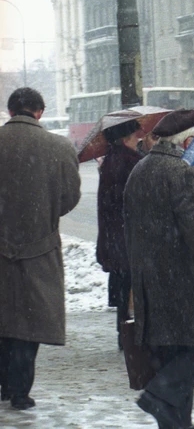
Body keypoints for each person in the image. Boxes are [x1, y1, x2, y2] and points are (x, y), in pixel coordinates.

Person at [124, 109, 194, 429]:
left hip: (151, 281)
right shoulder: (182, 172)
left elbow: (129, 230)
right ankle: (159, 395)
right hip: (184, 283)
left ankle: (176, 422)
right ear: (186, 140)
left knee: (172, 354)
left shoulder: (140, 169)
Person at [0, 87, 82, 411]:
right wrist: (42, 212)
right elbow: (69, 198)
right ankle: (20, 389)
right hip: (40, 249)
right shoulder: (58, 147)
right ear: (40, 112)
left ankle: (3, 382)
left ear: (10, 111)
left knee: (3, 317)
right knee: (29, 323)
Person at [96, 118, 142, 350]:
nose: (138, 141)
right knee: (132, 286)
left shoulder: (110, 161)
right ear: (126, 139)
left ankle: (123, 333)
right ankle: (129, 334)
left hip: (114, 237)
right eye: (135, 137)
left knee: (123, 287)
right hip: (128, 236)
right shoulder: (130, 162)